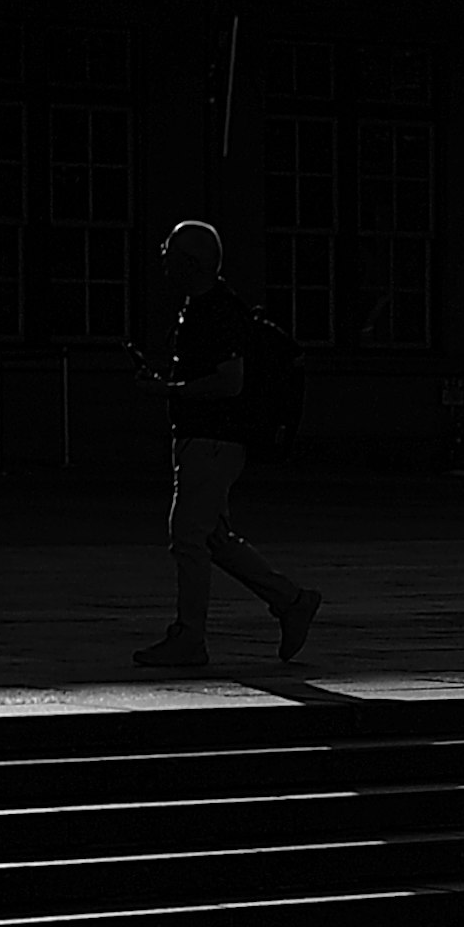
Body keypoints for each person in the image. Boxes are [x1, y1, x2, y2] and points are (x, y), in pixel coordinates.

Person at [134, 216, 318, 673]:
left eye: (170, 253)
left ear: (191, 263)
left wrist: (169, 391)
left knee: (188, 538)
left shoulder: (212, 311)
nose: (162, 259)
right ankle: (290, 601)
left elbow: (229, 381)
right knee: (213, 537)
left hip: (212, 441)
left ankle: (189, 636)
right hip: (210, 441)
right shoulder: (210, 307)